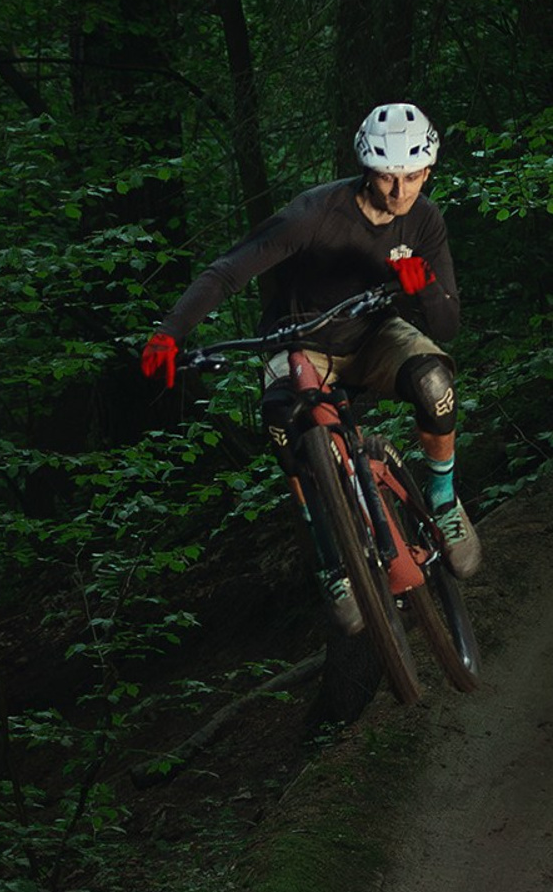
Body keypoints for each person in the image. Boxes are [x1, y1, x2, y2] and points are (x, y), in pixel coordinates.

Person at [142, 101, 480, 634]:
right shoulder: (314, 214)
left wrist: (427, 290)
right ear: (367, 169)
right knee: (284, 431)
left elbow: (448, 326)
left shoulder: (426, 220)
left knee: (434, 379)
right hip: (297, 340)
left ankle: (443, 503)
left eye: (413, 177)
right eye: (388, 178)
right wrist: (170, 332)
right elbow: (229, 270)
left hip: (373, 334)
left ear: (428, 171)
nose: (400, 192)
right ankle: (332, 562)